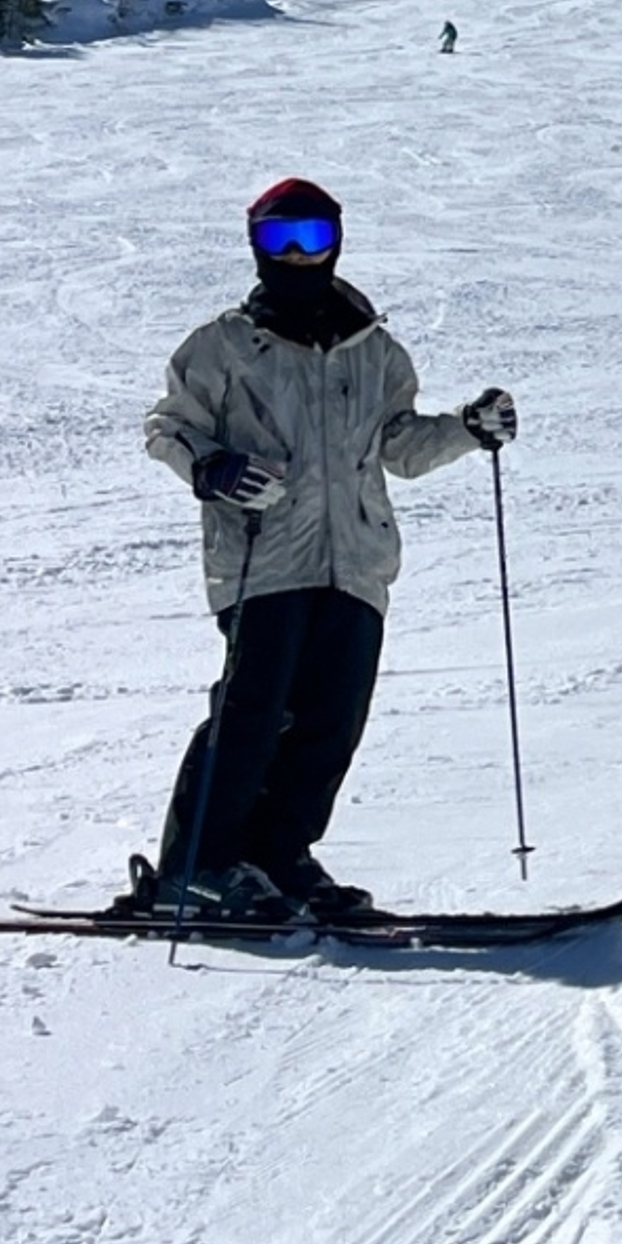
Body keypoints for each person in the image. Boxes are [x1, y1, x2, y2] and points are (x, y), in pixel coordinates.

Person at [124, 177, 517, 919]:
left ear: (338, 241)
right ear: (256, 245)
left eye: (314, 238)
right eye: (281, 240)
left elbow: (398, 447)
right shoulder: (224, 348)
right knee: (253, 710)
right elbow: (168, 428)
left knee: (333, 716)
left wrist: (467, 431)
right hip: (264, 557)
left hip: (357, 561)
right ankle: (195, 865)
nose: (300, 256)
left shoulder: (377, 353)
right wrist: (211, 468)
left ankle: (278, 853)